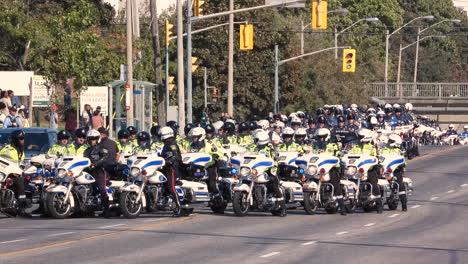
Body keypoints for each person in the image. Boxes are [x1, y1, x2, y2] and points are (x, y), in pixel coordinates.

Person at [249, 130, 286, 216]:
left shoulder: (270, 148)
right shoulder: (254, 147)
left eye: (256, 139)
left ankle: (283, 208)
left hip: (270, 170)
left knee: (274, 185)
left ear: (261, 139)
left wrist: (273, 170)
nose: (255, 140)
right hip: (256, 170)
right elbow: (248, 154)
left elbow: (275, 159)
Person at [348, 128, 383, 213]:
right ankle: (349, 199)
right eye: (359, 136)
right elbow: (348, 154)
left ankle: (379, 204)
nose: (359, 138)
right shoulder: (354, 145)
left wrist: (376, 162)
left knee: (374, 184)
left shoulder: (371, 147)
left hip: (369, 170)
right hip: (357, 171)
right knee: (349, 181)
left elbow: (376, 157)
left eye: (361, 137)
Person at [312, 128, 346, 215]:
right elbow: (311, 155)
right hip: (319, 168)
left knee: (335, 184)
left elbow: (338, 153)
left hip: (332, 168)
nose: (321, 139)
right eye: (319, 137)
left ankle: (342, 207)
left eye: (322, 137)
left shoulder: (333, 145)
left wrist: (339, 155)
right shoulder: (315, 146)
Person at [0, 130, 30, 217]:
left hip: (18, 174)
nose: (22, 140)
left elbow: (22, 164)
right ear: (15, 139)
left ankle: (22, 207)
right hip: (6, 174)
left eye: (23, 138)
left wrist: (22, 169)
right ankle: (19, 207)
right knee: (19, 181)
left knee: (25, 182)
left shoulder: (21, 151)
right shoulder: (7, 149)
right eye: (21, 138)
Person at [83, 129, 111, 218]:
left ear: (98, 139)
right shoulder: (86, 151)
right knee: (89, 190)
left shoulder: (102, 149)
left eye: (94, 139)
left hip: (100, 172)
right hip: (88, 172)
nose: (92, 141)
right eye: (90, 139)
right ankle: (88, 209)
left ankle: (106, 211)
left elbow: (105, 157)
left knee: (103, 190)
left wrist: (95, 164)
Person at [159, 126, 183, 216]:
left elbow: (175, 156)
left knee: (171, 187)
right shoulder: (167, 144)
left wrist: (169, 161)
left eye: (161, 135)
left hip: (172, 169)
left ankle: (179, 208)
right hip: (165, 168)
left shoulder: (172, 144)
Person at [380, 134, 407, 211]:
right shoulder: (383, 149)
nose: (389, 142)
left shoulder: (398, 150)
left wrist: (401, 165)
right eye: (389, 140)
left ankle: (404, 205)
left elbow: (403, 160)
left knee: (400, 184)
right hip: (384, 169)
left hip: (395, 170)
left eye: (391, 141)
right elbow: (379, 157)